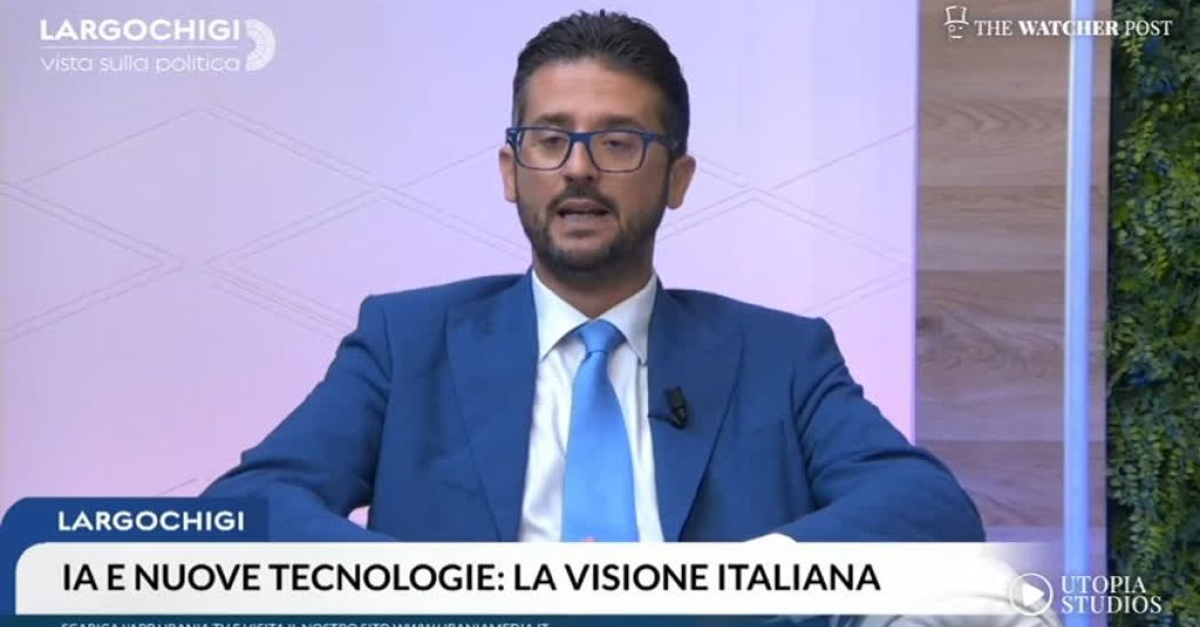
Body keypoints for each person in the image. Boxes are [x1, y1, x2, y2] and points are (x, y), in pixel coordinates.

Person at [203, 10, 984, 545]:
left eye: (617, 142)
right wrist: (427, 588)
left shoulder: (781, 355)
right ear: (511, 171)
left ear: (677, 178)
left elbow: (929, 509)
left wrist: (747, 579)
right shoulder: (406, 343)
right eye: (550, 140)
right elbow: (243, 511)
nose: (578, 169)